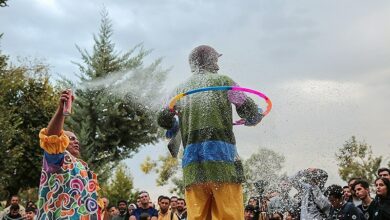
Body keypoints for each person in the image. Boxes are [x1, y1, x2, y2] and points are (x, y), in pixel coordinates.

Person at [158, 45, 263, 219]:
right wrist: (255, 116)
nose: (218, 66)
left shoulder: (179, 90)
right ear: (209, 61)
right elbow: (250, 111)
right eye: (215, 60)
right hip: (224, 165)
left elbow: (162, 119)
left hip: (193, 168)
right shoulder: (224, 82)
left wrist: (173, 120)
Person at [37, 89, 100, 219]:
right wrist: (61, 111)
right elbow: (52, 138)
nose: (75, 141)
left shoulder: (82, 166)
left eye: (76, 139)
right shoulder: (58, 158)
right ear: (63, 142)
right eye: (70, 138)